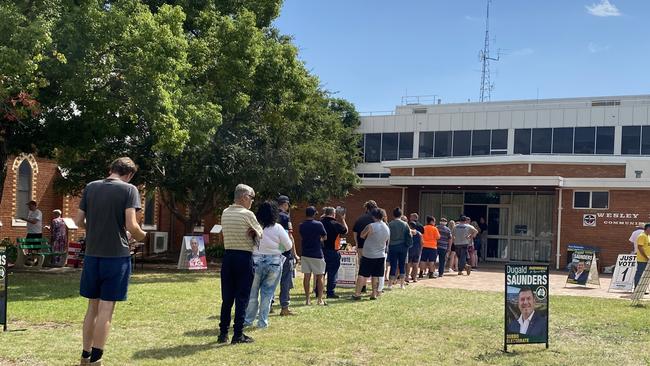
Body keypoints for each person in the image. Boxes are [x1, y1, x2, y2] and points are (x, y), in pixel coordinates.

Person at [74, 157, 147, 365]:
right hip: (116, 257)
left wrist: (95, 229)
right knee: (106, 309)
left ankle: (85, 355)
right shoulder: (129, 189)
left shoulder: (90, 187)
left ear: (110, 169)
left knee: (92, 308)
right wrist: (143, 236)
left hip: (92, 255)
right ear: (130, 174)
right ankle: (97, 359)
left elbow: (79, 220)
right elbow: (131, 225)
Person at [218, 184, 263, 344]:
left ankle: (223, 333)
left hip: (228, 256)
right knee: (242, 297)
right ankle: (238, 334)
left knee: (227, 298)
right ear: (244, 197)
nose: (252, 201)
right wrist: (255, 232)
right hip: (244, 257)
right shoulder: (248, 214)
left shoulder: (225, 212)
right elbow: (260, 233)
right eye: (251, 198)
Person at [244, 201, 292, 329]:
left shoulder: (254, 227)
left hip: (256, 261)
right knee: (267, 294)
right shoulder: (278, 228)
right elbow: (288, 246)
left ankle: (248, 320)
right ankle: (262, 322)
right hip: (274, 262)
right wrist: (278, 248)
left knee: (252, 293)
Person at [352, 208, 390, 300]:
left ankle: (357, 294)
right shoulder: (387, 227)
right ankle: (374, 293)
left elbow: (362, 235)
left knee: (362, 274)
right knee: (376, 275)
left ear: (373, 216)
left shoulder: (371, 226)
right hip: (380, 254)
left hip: (369, 254)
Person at [299, 206, 328, 306]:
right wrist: (319, 239)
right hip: (317, 253)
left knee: (307, 276)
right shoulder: (318, 224)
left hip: (305, 253)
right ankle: (319, 299)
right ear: (314, 214)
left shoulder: (301, 225)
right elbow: (325, 236)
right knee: (320, 276)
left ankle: (307, 299)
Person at [276, 195, 298, 316]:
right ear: (285, 204)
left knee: (271, 281)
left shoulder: (270, 215)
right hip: (284, 253)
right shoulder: (285, 217)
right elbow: (290, 237)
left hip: (271, 252)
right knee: (285, 281)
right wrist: (294, 254)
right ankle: (284, 307)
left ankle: (269, 305)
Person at [320, 206, 348, 298]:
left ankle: (318, 291)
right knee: (332, 273)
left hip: (321, 251)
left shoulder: (320, 223)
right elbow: (345, 230)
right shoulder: (335, 224)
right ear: (333, 214)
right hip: (333, 250)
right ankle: (330, 292)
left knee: (321, 272)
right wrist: (343, 219)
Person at [352, 200, 378, 292]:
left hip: (361, 246)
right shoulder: (377, 219)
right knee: (376, 268)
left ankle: (362, 286)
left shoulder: (360, 219)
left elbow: (355, 232)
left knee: (362, 266)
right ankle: (375, 289)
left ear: (366, 208)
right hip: (375, 246)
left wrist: (357, 243)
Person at [387, 208, 411, 289]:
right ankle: (402, 284)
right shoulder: (405, 224)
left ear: (393, 215)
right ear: (401, 215)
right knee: (402, 265)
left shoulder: (390, 224)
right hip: (403, 246)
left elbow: (387, 236)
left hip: (392, 246)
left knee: (393, 265)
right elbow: (409, 235)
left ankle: (390, 284)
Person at [19, 200, 43, 265]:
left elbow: (34, 222)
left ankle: (37, 260)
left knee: (37, 247)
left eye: (30, 205)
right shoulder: (30, 212)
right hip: (30, 232)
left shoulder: (38, 212)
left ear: (34, 205)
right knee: (29, 246)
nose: (29, 207)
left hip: (37, 233)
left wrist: (24, 219)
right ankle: (30, 259)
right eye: (28, 206)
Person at [634, 223, 650, 289]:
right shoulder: (642, 236)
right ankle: (637, 288)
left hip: (647, 259)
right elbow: (640, 247)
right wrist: (646, 256)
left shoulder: (648, 236)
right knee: (640, 273)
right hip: (642, 259)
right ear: (648, 228)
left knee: (645, 275)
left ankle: (642, 289)